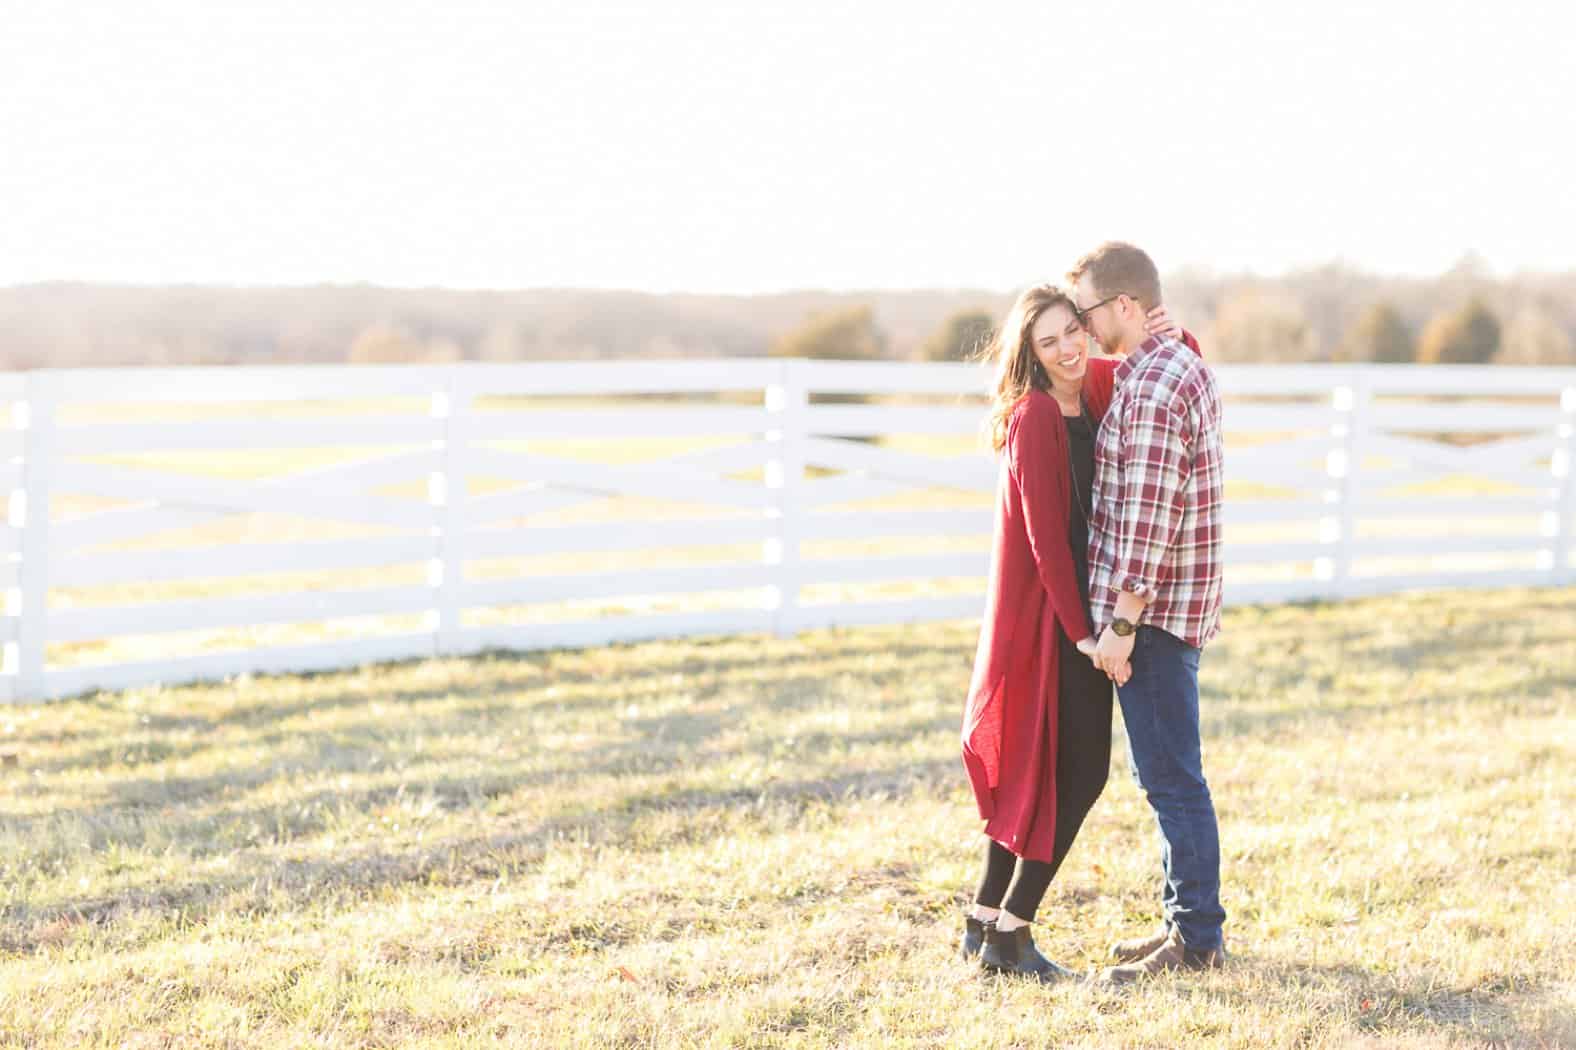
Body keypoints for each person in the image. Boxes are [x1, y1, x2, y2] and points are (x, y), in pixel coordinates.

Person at [959, 284, 1193, 982]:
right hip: (1053, 618)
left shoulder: (1086, 386)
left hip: (1075, 613)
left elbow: (1154, 372)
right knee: (1081, 772)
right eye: (1049, 342)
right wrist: (1084, 635)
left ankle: (982, 923)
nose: (1068, 349)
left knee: (1040, 773)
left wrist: (1177, 338)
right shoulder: (1034, 415)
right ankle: (1012, 933)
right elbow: (1045, 542)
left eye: (1072, 332)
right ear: (1028, 354)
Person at [1070, 241, 1227, 984]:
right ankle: (1184, 922)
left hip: (1154, 619)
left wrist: (1122, 623)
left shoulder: (1159, 383)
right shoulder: (1163, 368)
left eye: (1090, 311)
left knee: (1171, 780)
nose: (1084, 327)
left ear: (1125, 307)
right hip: (1166, 613)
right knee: (1168, 775)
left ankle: (1196, 941)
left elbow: (1150, 515)